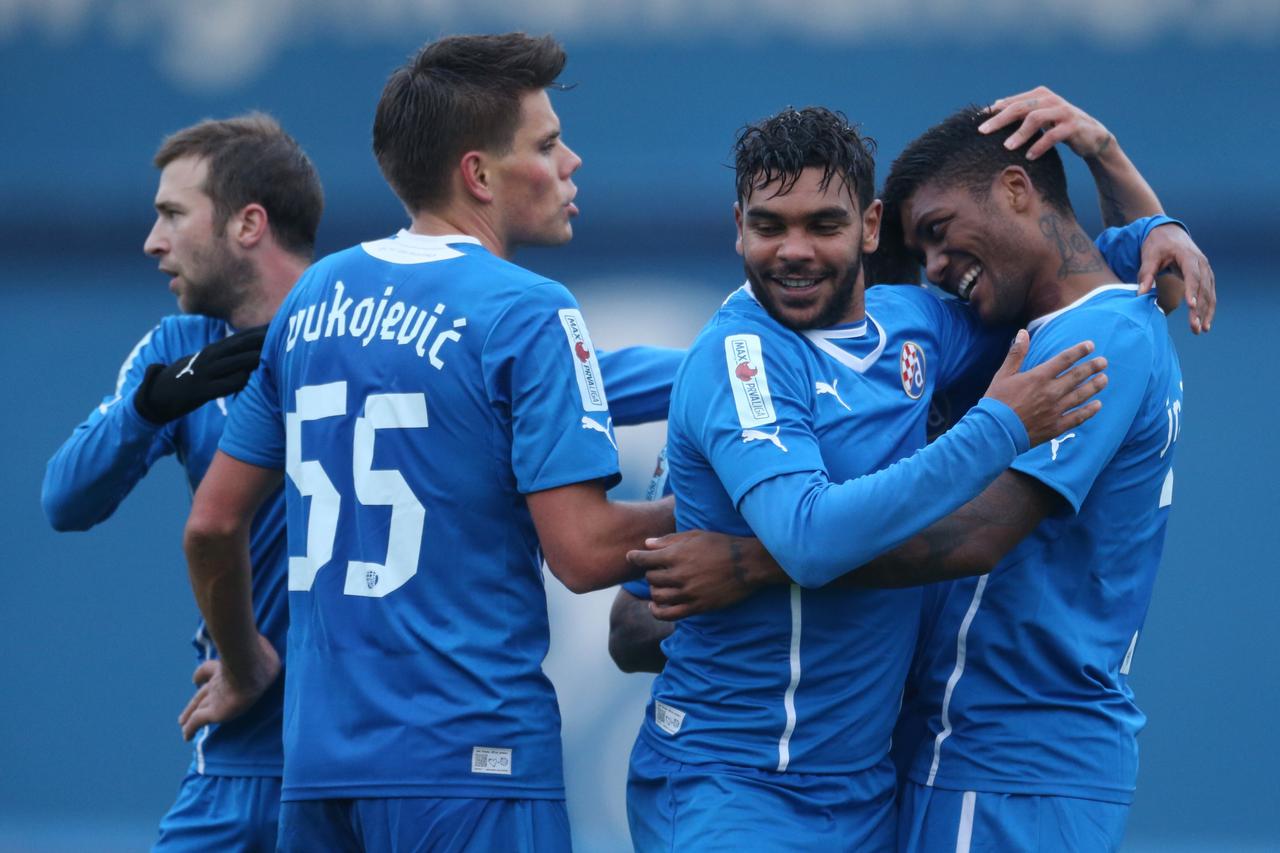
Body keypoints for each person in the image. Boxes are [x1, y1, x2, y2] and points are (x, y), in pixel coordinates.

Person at [625, 94, 1195, 851]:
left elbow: (1093, 293)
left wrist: (1144, 220)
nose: (936, 268)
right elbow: (635, 623)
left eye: (824, 225)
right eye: (770, 225)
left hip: (958, 765)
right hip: (755, 784)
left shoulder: (948, 332)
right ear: (739, 229)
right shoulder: (742, 359)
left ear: (864, 227)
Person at [179, 33, 680, 851]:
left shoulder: (313, 299)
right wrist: (735, 519)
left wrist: (243, 665)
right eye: (548, 144)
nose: (572, 161)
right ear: (479, 174)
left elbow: (211, 524)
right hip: (470, 761)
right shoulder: (528, 308)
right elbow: (585, 553)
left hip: (318, 767)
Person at [41, 113, 324, 852]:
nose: (152, 241)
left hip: (357, 757)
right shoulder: (177, 350)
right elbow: (65, 498)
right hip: (233, 757)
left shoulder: (360, 324)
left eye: (171, 214)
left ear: (248, 224)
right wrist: (149, 405)